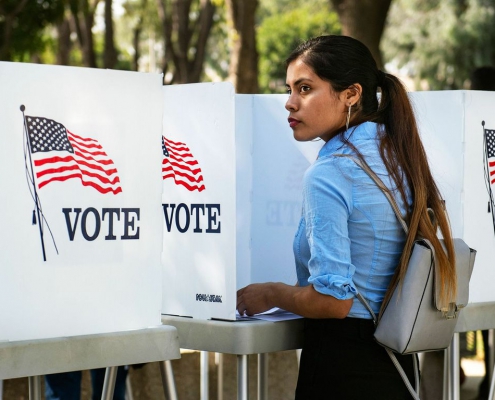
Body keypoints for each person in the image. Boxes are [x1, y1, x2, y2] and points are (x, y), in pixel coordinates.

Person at [236, 35, 457, 399]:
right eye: (289, 89)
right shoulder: (397, 155)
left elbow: (333, 301)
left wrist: (272, 293)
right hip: (397, 363)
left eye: (305, 88)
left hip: (343, 367)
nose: (289, 103)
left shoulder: (332, 172)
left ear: (352, 94)